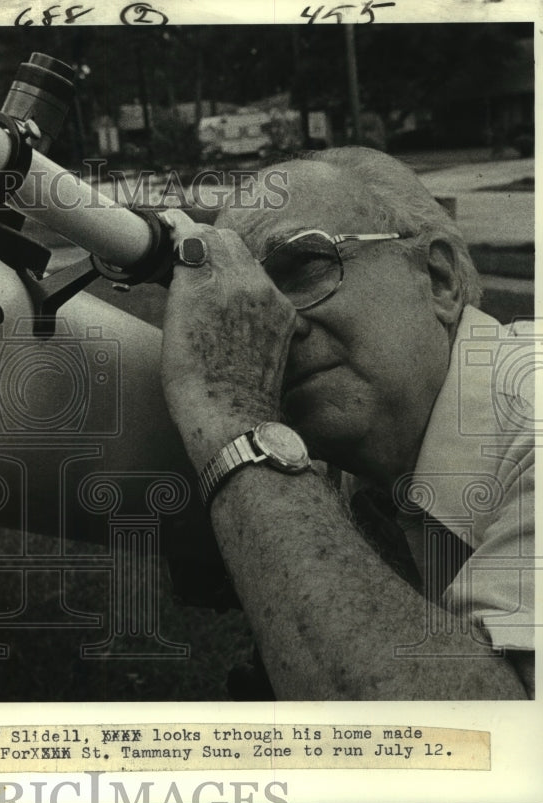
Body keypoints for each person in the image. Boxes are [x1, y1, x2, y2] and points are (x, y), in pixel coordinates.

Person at [158, 146, 535, 699]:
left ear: (438, 279)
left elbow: (488, 742)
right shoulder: (370, 449)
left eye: (305, 267)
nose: (268, 322)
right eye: (246, 294)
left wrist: (230, 414)